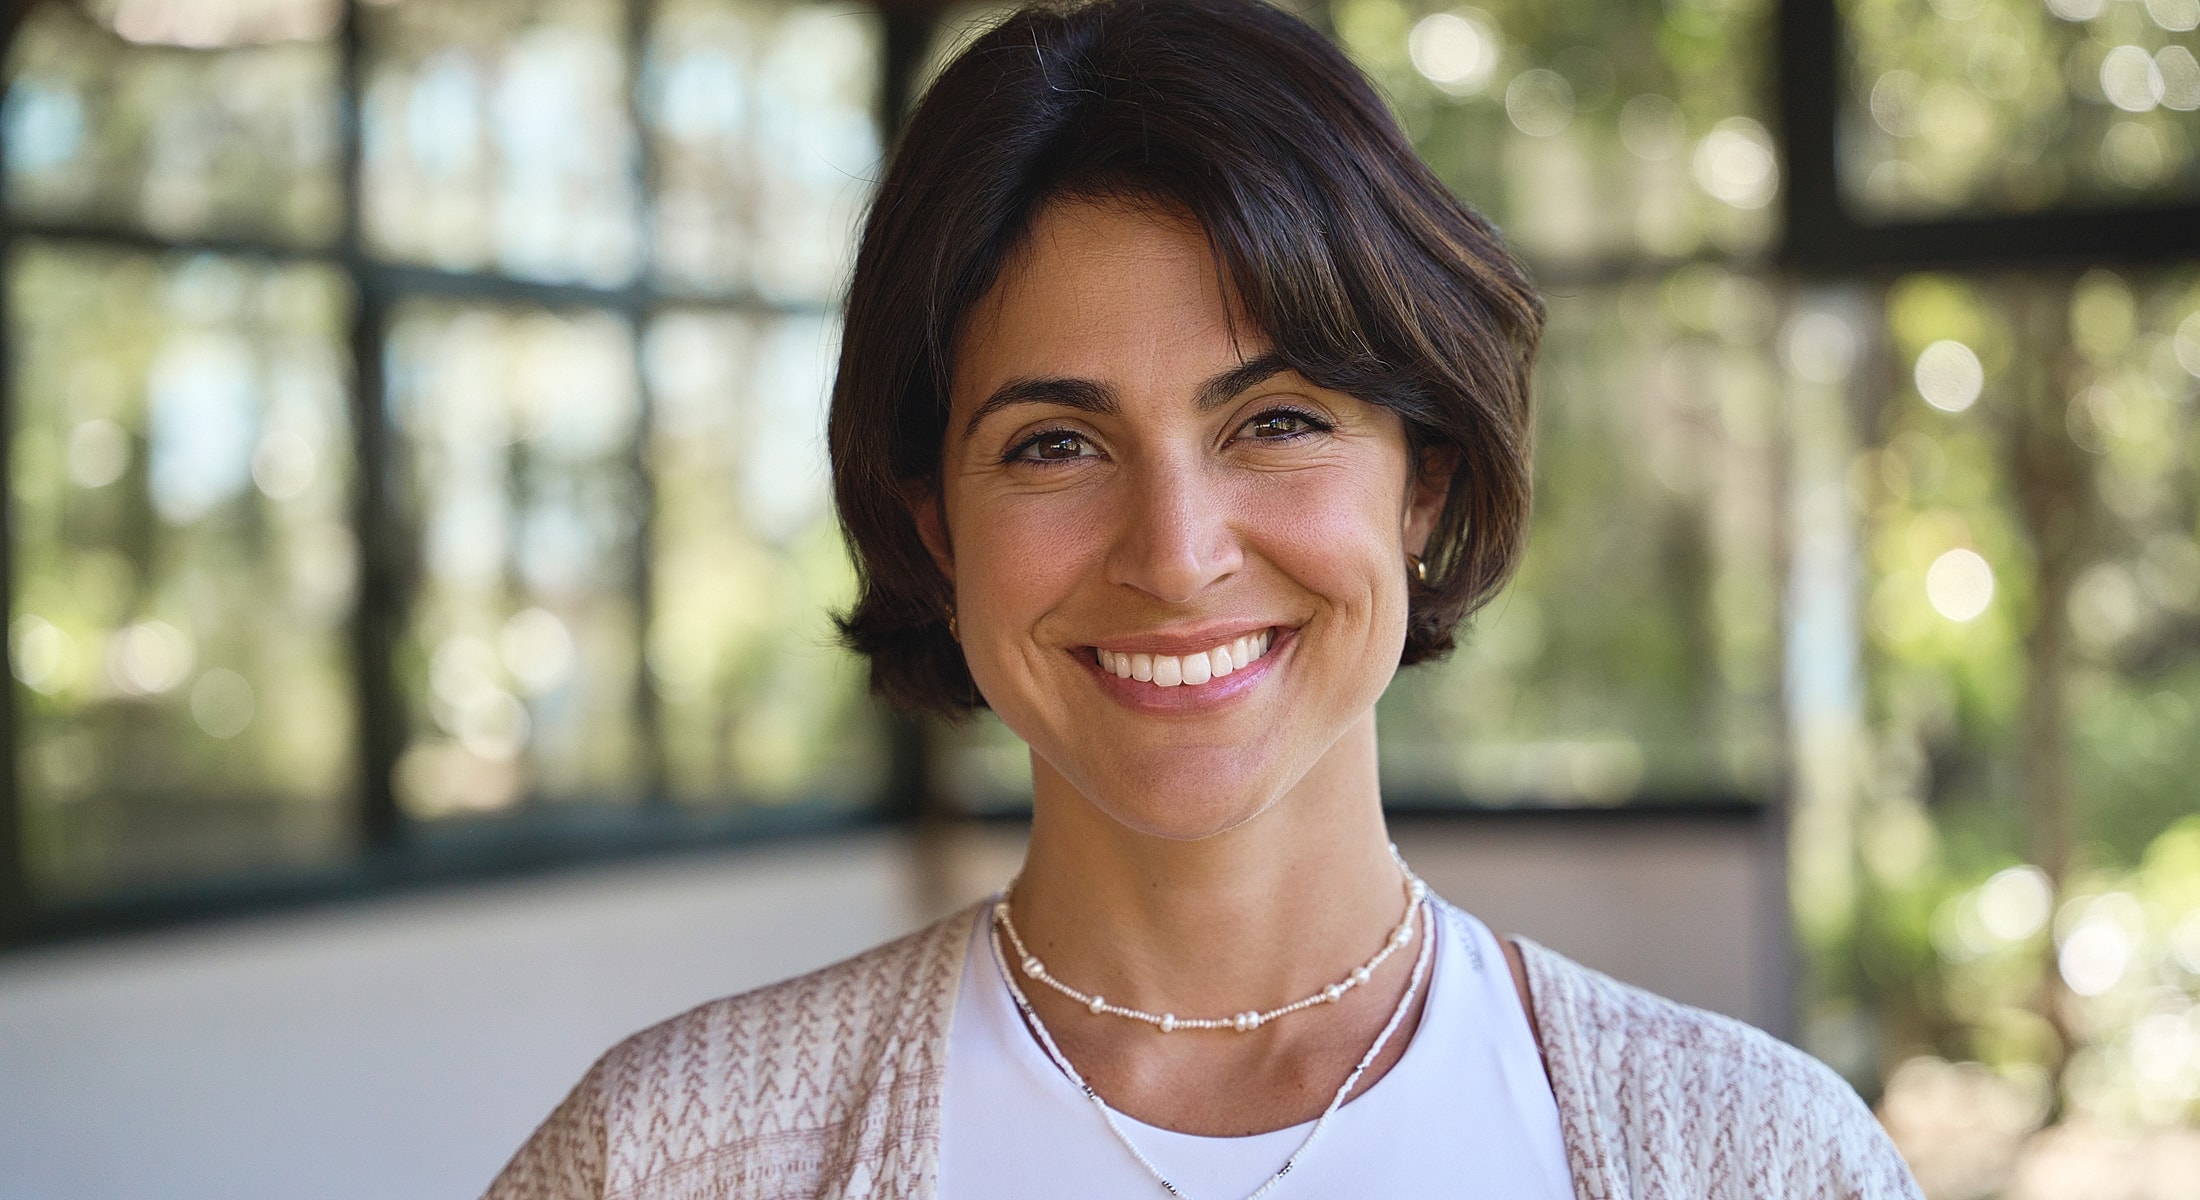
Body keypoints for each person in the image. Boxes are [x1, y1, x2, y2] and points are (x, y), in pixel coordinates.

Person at [486, 1, 1924, 1196]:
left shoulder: (1764, 1160)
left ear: (1421, 479)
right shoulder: (669, 1158)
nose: (1175, 556)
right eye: (1055, 445)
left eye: (1279, 420)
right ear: (934, 528)